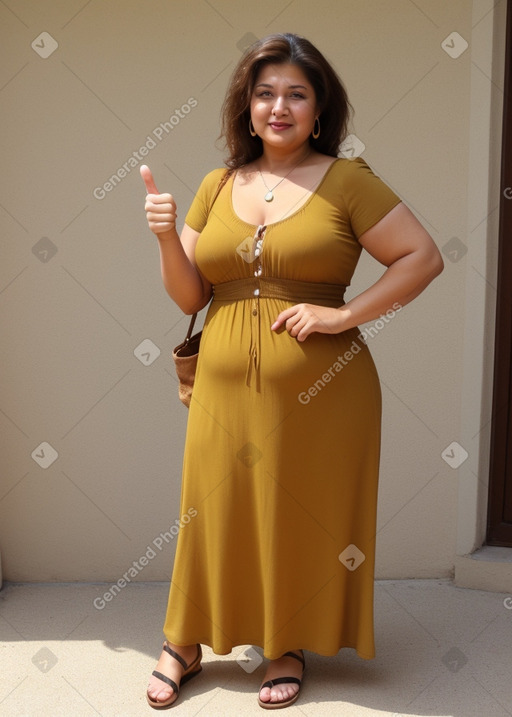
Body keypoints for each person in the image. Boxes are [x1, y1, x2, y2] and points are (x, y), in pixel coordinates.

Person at [141, 32, 443, 710]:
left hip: (324, 391)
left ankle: (287, 642)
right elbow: (191, 295)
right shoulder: (217, 185)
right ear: (246, 106)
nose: (280, 106)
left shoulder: (349, 180)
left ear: (318, 108)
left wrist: (343, 316)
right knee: (208, 510)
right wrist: (164, 234)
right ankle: (183, 640)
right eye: (266, 92)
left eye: (297, 94)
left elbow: (422, 256)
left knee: (298, 517)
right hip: (221, 387)